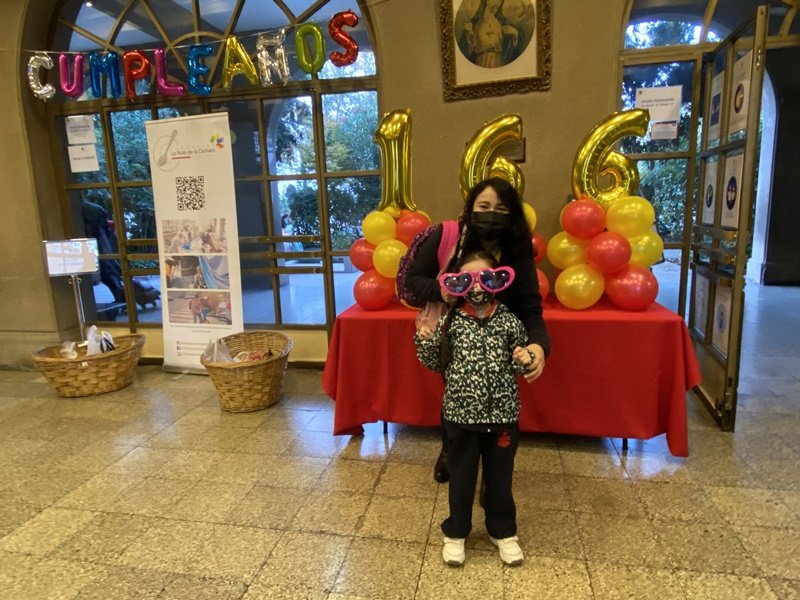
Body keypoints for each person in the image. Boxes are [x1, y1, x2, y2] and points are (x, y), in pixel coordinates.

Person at [402, 177, 550, 483]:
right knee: (456, 393)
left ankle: (493, 474)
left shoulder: (517, 250)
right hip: (455, 333)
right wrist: (443, 291)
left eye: (501, 209)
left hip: (500, 339)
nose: (491, 214)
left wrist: (538, 345)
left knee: (498, 398)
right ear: (471, 208)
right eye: (484, 206)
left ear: (513, 213)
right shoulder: (447, 236)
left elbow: (530, 307)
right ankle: (451, 451)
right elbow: (413, 280)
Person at [414, 251, 534, 567]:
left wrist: (525, 358)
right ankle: (456, 532)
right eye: (468, 280)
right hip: (460, 417)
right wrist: (425, 341)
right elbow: (435, 362)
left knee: (500, 479)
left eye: (486, 278)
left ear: (498, 281)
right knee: (462, 478)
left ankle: (503, 531)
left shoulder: (509, 320)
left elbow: (521, 361)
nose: (478, 287)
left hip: (503, 416)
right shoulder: (451, 322)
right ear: (458, 285)